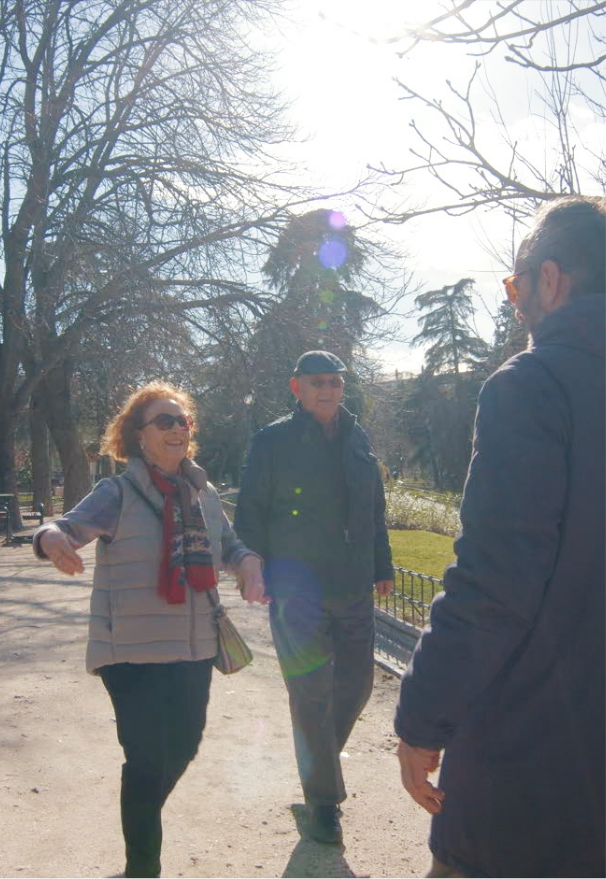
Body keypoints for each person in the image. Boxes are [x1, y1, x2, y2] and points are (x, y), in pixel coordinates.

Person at [395, 196, 606, 879]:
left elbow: (493, 583)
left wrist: (422, 719)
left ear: (551, 279)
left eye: (515, 286)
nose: (514, 305)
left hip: (534, 768)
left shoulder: (534, 385)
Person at [33, 382, 266, 879]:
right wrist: (50, 537)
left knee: (183, 746)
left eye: (183, 421)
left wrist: (248, 563)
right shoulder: (116, 493)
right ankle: (143, 868)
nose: (177, 429)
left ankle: (139, 815)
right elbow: (65, 527)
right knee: (145, 760)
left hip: (195, 647)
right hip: (131, 653)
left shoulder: (203, 494)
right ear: (138, 435)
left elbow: (230, 546)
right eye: (164, 421)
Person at [234, 350, 394, 845]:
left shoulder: (357, 437)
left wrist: (382, 565)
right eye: (318, 381)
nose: (328, 389)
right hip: (296, 587)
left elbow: (373, 506)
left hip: (352, 583)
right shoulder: (273, 440)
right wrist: (251, 564)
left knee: (357, 684)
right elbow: (251, 508)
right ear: (296, 387)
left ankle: (317, 766)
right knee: (310, 694)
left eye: (335, 381)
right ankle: (323, 804)